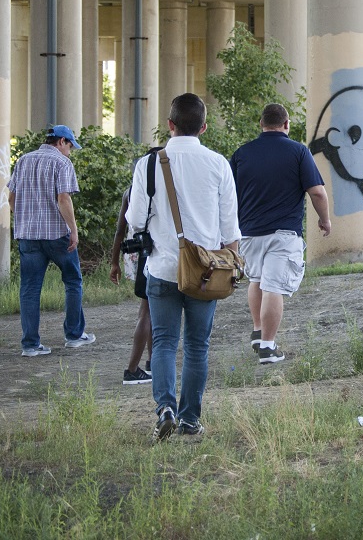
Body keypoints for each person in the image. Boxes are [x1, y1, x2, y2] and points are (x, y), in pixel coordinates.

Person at [126, 94, 241, 441]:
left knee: (163, 341)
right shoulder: (218, 164)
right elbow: (230, 229)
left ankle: (165, 409)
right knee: (197, 346)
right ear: (204, 127)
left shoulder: (148, 164)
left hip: (162, 267)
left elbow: (135, 219)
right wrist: (232, 266)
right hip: (205, 273)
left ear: (170, 125)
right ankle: (190, 419)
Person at [230, 103, 331, 364]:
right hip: (283, 234)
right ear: (286, 124)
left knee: (256, 280)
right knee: (273, 286)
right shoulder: (298, 151)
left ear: (261, 124)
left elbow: (229, 195)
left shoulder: (242, 153)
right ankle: (268, 346)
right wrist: (325, 220)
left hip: (249, 233)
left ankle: (258, 331)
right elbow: (317, 192)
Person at [7, 125, 95, 357]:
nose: (70, 152)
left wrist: (24, 219)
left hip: (28, 236)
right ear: (62, 141)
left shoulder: (23, 161)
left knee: (29, 288)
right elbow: (64, 198)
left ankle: (30, 345)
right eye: (70, 146)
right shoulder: (62, 163)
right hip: (57, 235)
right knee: (73, 281)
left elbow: (11, 198)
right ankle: (74, 335)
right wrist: (73, 230)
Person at [109, 178, 155, 385]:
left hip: (136, 253)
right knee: (146, 312)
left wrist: (114, 262)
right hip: (152, 255)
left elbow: (120, 230)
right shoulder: (156, 190)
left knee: (150, 308)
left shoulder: (130, 191)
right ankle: (132, 369)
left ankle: (152, 362)